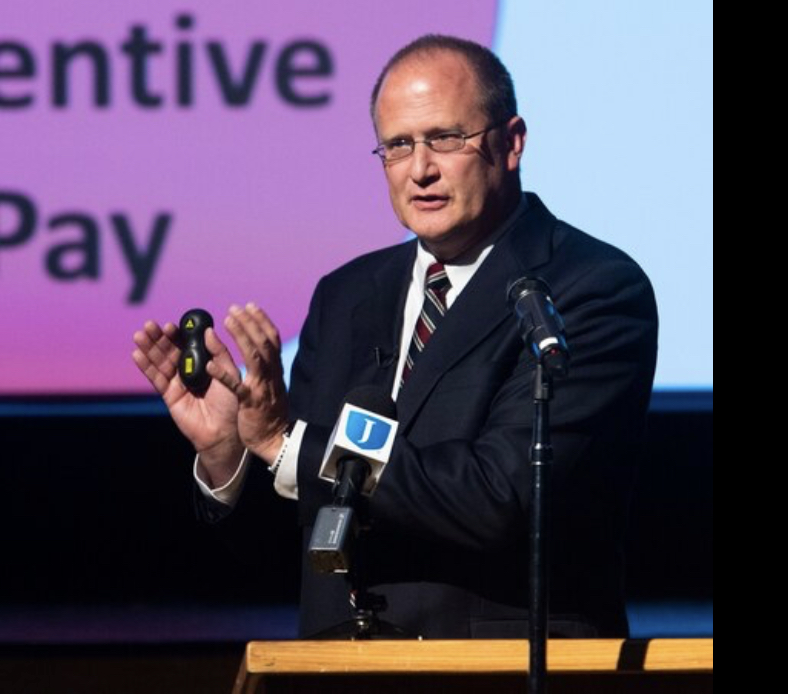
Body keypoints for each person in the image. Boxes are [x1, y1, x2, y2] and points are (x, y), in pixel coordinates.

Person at [132, 35, 657, 639]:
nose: (420, 169)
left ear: (511, 143)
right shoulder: (345, 296)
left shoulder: (588, 288)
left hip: (503, 667)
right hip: (342, 668)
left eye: (446, 138)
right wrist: (231, 451)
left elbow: (501, 497)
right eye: (398, 145)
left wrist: (286, 441)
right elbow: (293, 536)